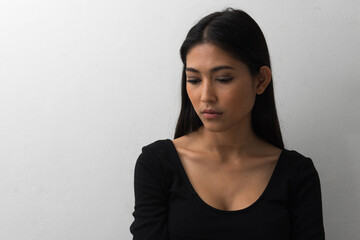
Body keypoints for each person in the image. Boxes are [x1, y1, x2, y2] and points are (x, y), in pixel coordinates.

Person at [130, 7, 325, 240]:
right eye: (193, 79)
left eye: (223, 79)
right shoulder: (157, 164)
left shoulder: (297, 174)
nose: (206, 96)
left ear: (260, 80)